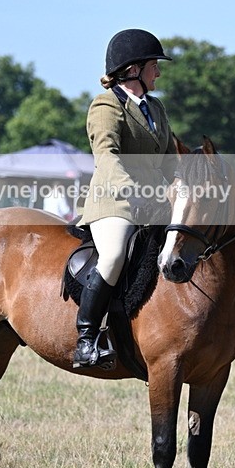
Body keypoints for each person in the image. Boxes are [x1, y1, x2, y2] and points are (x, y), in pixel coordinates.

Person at [73, 28, 178, 370]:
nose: (158, 72)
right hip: (114, 201)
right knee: (115, 254)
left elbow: (169, 160)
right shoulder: (106, 105)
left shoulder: (156, 109)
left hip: (152, 203)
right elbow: (107, 154)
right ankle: (86, 339)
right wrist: (136, 190)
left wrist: (184, 184)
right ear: (133, 69)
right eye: (154, 66)